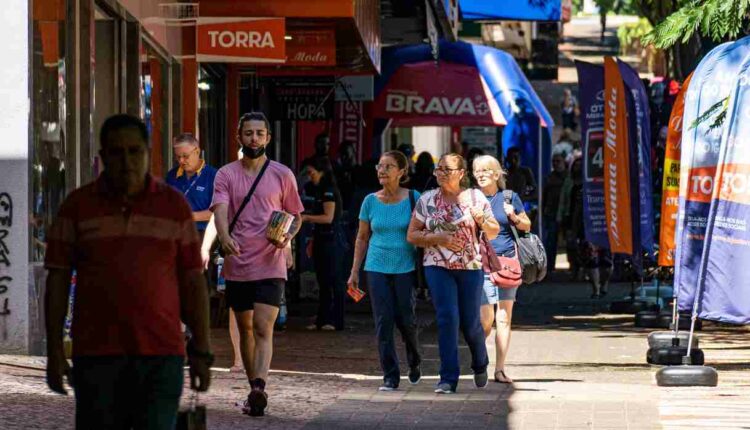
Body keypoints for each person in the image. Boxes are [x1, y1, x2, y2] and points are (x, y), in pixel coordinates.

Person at [44, 114, 212, 429]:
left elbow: (193, 282)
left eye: (134, 151)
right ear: (103, 156)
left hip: (160, 356)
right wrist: (54, 350)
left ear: (148, 153)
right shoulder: (77, 207)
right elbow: (57, 281)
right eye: (116, 152)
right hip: (96, 357)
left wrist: (201, 350)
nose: (126, 161)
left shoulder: (173, 208)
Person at [211, 111, 304, 417]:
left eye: (259, 133)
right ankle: (254, 388)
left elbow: (296, 215)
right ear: (239, 137)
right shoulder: (225, 174)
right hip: (238, 261)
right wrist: (223, 237)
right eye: (248, 133)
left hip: (270, 262)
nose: (254, 139)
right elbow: (221, 210)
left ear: (268, 137)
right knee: (245, 328)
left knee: (264, 326)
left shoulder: (282, 174)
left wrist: (286, 237)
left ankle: (259, 388)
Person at [407, 153, 500, 394]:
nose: (440, 174)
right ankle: (448, 378)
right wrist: (438, 238)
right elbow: (412, 235)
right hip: (437, 266)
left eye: (447, 170)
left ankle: (480, 362)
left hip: (470, 267)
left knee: (470, 323)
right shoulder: (427, 200)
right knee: (447, 318)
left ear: (461, 173)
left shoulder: (475, 197)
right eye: (438, 170)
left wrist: (483, 220)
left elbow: (493, 232)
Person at [165, 134, 243, 371]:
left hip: (203, 238)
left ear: (198, 151)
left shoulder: (213, 176)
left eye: (186, 156)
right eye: (178, 156)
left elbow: (217, 213)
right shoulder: (172, 176)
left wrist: (187, 216)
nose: (182, 160)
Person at [348, 151, 422, 392]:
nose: (382, 170)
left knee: (406, 319)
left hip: (405, 267)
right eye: (380, 166)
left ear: (401, 172)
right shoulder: (369, 201)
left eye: (388, 166)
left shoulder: (414, 198)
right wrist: (354, 271)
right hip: (376, 267)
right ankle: (390, 375)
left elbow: (425, 230)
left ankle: (414, 359)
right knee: (383, 321)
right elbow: (362, 237)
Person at [472, 155, 532, 384]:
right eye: (477, 170)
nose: (480, 174)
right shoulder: (470, 199)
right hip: (480, 263)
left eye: (486, 170)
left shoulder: (509, 197)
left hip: (507, 261)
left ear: (497, 174)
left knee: (504, 318)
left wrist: (513, 216)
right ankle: (479, 360)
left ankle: (499, 369)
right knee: (485, 318)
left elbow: (527, 225)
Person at [302, 156, 346, 331]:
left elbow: (328, 217)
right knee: (323, 280)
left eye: (311, 172)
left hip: (331, 240)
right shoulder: (320, 190)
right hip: (322, 238)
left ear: (321, 171)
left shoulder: (328, 190)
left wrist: (305, 217)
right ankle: (323, 319)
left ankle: (334, 320)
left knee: (332, 280)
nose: (310, 176)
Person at [558, 156, 584, 281]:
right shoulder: (569, 182)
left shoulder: (587, 181)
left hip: (583, 218)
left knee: (584, 245)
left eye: (580, 165)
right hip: (570, 215)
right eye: (576, 165)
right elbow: (563, 200)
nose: (578, 168)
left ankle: (583, 269)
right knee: (570, 244)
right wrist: (560, 215)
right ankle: (573, 268)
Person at [542, 154, 568, 273]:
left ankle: (574, 268)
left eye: (558, 161)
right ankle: (550, 267)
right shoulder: (549, 178)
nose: (556, 164)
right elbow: (544, 195)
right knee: (551, 242)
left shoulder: (569, 177)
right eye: (554, 161)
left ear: (563, 162)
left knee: (569, 242)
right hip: (551, 212)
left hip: (567, 213)